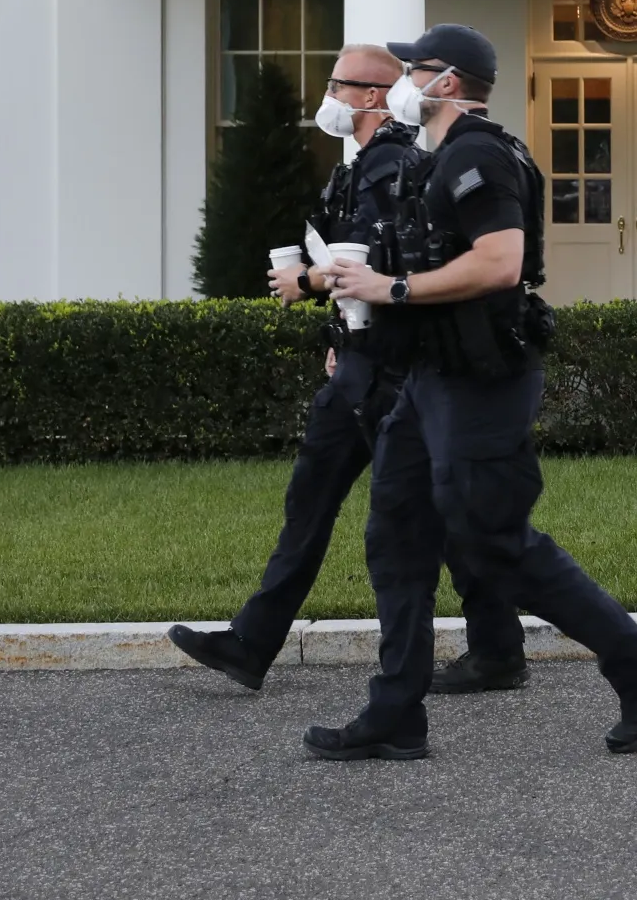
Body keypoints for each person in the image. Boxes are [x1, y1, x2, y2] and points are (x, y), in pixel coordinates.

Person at [307, 23, 637, 762]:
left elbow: (501, 261)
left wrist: (396, 286)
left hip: (482, 379)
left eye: (413, 70)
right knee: (397, 536)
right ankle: (394, 714)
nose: (400, 83)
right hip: (429, 376)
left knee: (492, 540)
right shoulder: (433, 157)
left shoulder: (478, 153)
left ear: (448, 83)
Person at [167, 44, 527, 694]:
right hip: (359, 364)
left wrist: (302, 282)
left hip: (386, 371)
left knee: (428, 512)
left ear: (368, 96)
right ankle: (252, 641)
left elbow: (371, 263)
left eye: (336, 84)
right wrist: (339, 332)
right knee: (313, 500)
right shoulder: (365, 165)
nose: (325, 96)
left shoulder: (388, 164)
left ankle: (492, 649)